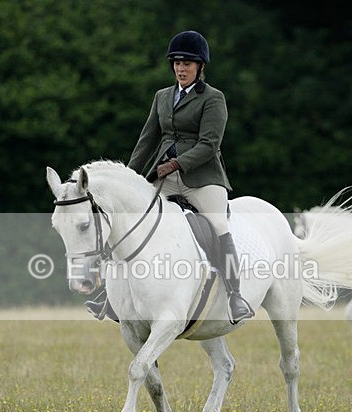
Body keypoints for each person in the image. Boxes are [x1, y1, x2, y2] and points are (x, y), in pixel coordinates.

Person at [87, 30, 254, 324]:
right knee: (130, 221)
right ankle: (112, 297)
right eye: (177, 63)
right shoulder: (162, 96)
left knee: (217, 226)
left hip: (202, 178)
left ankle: (235, 295)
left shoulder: (214, 99)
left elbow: (209, 144)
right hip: (162, 173)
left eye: (188, 63)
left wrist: (176, 164)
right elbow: (148, 139)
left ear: (200, 66)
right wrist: (129, 176)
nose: (181, 68)